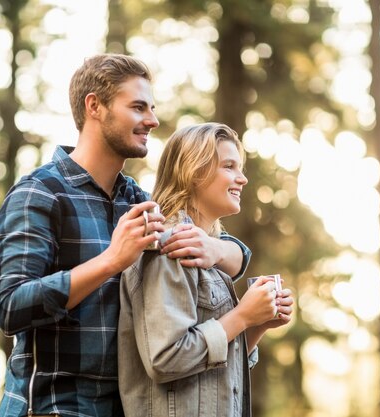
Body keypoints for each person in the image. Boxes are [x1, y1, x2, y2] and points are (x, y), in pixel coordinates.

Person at [0, 55, 251, 417]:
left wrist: (216, 248)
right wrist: (112, 260)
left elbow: (234, 257)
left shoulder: (138, 201)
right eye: (138, 107)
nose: (153, 120)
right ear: (94, 106)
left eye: (152, 108)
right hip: (54, 409)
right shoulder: (40, 194)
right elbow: (11, 307)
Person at [118, 122, 295, 417]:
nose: (243, 179)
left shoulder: (210, 256)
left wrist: (258, 324)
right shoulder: (171, 249)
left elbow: (212, 367)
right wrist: (241, 316)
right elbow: (166, 358)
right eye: (229, 166)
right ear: (194, 171)